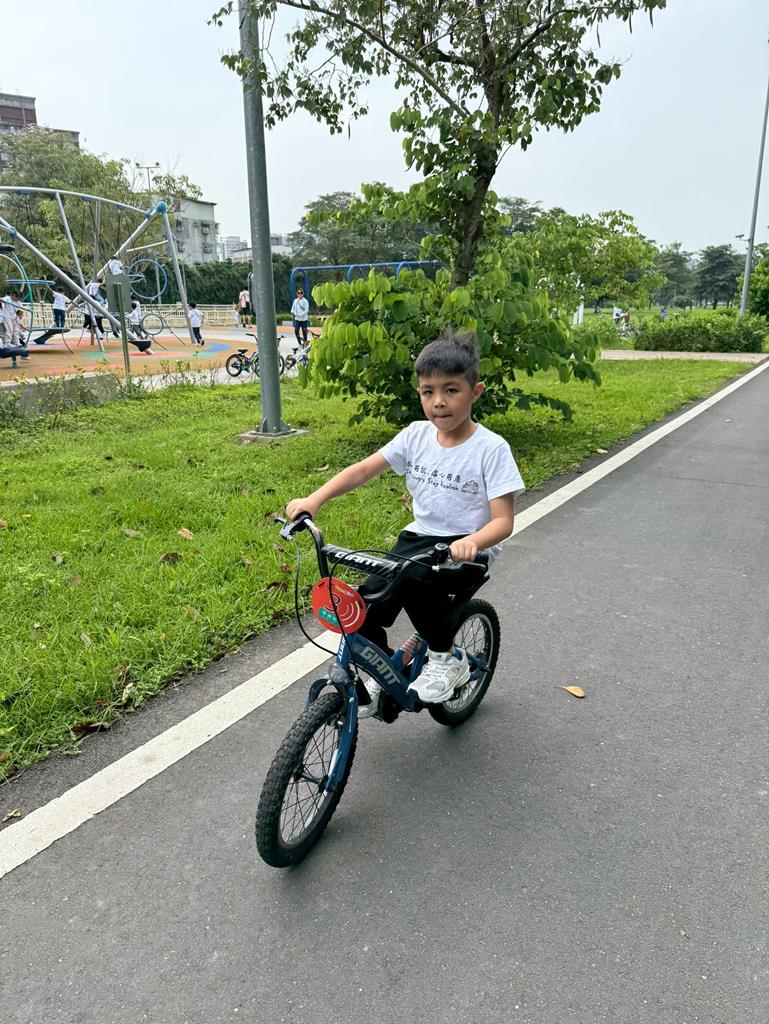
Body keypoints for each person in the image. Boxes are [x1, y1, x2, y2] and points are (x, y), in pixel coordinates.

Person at [286, 329, 525, 714]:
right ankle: (383, 673)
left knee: (415, 580)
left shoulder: (491, 449)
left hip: (467, 548)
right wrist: (314, 500)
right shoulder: (416, 435)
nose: (439, 401)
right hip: (418, 540)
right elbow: (363, 469)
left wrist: (473, 543)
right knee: (361, 606)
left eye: (451, 390)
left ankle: (447, 658)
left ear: (475, 392)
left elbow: (503, 521)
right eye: (428, 391)